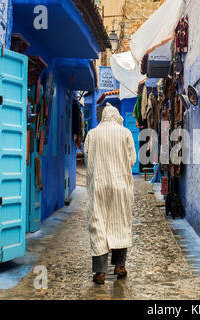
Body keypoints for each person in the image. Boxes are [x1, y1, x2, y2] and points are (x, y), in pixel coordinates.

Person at [84, 104, 137, 285]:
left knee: (98, 224)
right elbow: (132, 160)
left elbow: (87, 158)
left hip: (98, 185)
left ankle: (100, 273)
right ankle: (119, 267)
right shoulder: (125, 133)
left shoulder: (92, 134)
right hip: (120, 185)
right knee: (120, 222)